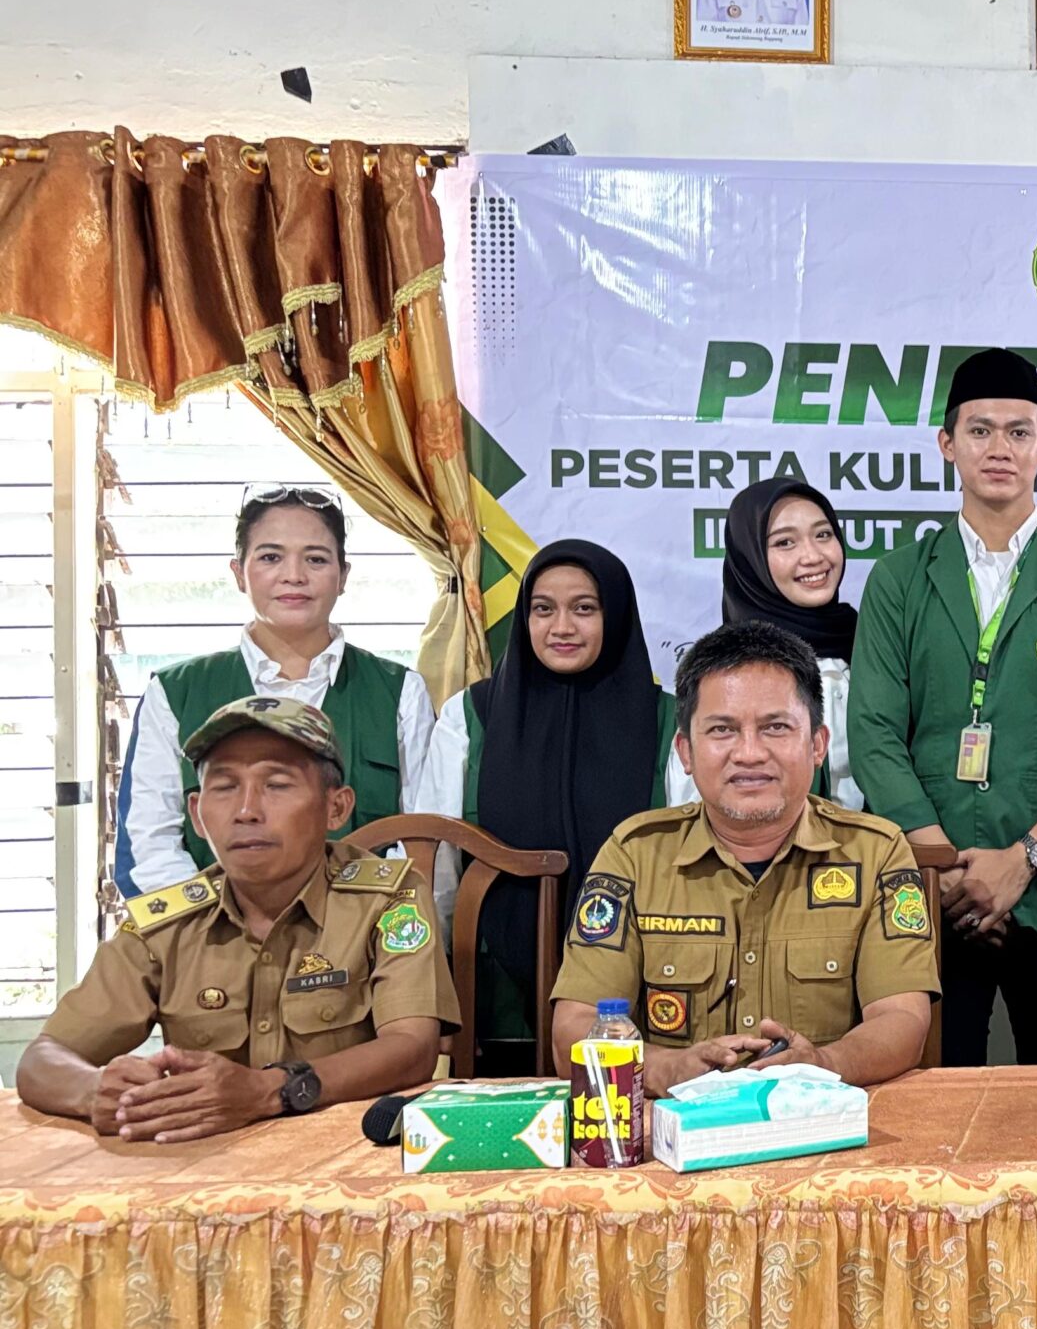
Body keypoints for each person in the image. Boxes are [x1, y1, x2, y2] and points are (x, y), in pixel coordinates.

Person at [848, 348, 1037, 1067]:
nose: (999, 448)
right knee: (929, 1098)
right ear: (947, 444)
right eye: (979, 430)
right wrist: (944, 868)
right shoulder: (898, 579)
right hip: (927, 895)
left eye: (1018, 431)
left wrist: (1023, 860)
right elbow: (874, 733)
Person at [19, 698, 456, 1139]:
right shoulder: (167, 924)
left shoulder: (386, 899)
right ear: (197, 814)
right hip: (202, 1159)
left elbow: (413, 1047)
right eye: (225, 787)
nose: (246, 811)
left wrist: (270, 1091)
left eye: (277, 785)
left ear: (336, 808)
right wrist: (93, 1089)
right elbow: (43, 1058)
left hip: (344, 1152)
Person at [549, 622, 936, 1094]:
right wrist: (670, 1069)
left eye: (776, 727)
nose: (750, 754)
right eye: (723, 730)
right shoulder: (634, 856)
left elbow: (902, 1019)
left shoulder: (876, 852)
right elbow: (575, 1027)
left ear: (817, 744)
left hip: (825, 1122)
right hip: (679, 1125)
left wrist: (822, 1064)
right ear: (686, 751)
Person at [417, 540, 681, 1075]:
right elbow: (436, 868)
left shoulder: (670, 721)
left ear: (616, 615)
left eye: (584, 608)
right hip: (491, 1001)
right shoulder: (471, 715)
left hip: (641, 1000)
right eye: (543, 609)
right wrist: (434, 985)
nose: (562, 627)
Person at [115, 487, 435, 895]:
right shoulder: (175, 693)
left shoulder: (400, 692)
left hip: (367, 927)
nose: (294, 575)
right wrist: (218, 924)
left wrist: (354, 921)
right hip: (210, 929)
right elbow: (148, 847)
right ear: (238, 573)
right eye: (270, 557)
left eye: (316, 559)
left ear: (343, 576)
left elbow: (424, 841)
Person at [709, 478, 862, 809]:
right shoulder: (724, 673)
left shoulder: (870, 642)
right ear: (750, 558)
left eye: (823, 535)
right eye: (785, 542)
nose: (813, 556)